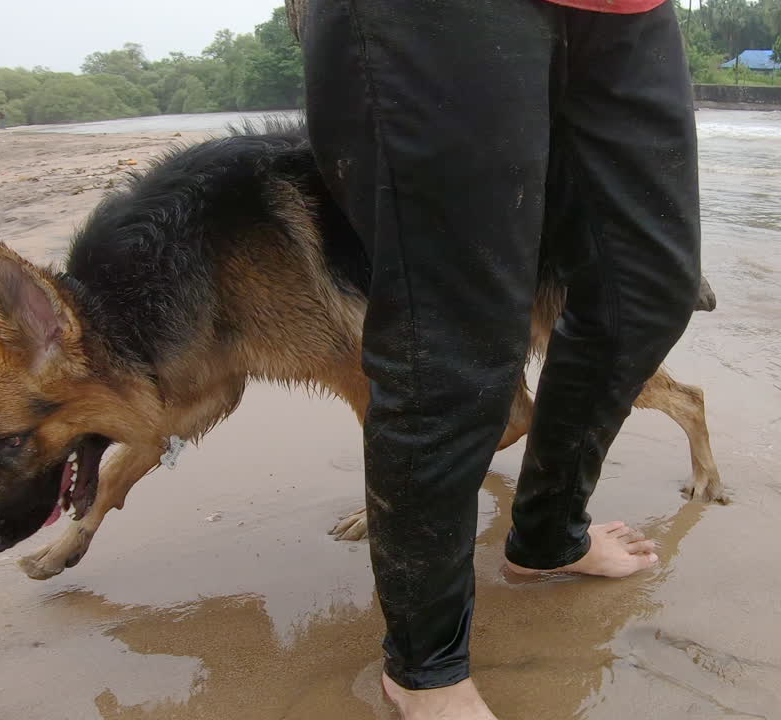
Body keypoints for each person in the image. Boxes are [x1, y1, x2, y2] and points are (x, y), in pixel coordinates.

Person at [300, 0, 700, 717]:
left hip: (624, 10)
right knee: (453, 333)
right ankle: (425, 669)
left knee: (646, 292)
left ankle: (547, 536)